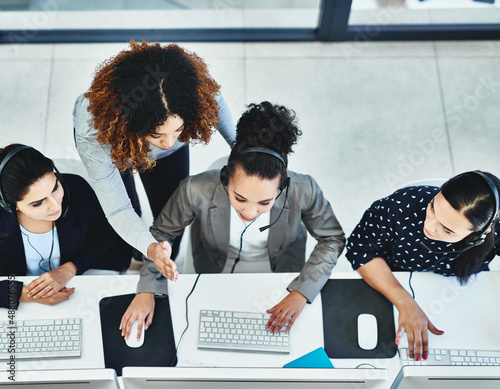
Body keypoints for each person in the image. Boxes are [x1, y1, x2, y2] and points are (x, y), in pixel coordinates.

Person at [120, 101, 346, 341]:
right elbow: (161, 234)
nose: (249, 212)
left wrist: (302, 291)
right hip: (214, 276)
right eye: (240, 198)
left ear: (282, 187)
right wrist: (147, 288)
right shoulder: (195, 189)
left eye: (264, 202)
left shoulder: (305, 189)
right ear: (226, 179)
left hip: (278, 278)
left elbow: (332, 238)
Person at [73, 40, 236, 275]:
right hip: (116, 147)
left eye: (178, 130)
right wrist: (150, 248)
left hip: (151, 146)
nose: (169, 143)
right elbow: (119, 210)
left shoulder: (194, 86)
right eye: (157, 134)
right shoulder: (93, 131)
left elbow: (216, 105)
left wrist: (243, 149)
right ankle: (133, 254)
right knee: (130, 210)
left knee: (171, 212)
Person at [346, 171, 500, 362]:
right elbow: (359, 251)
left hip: (464, 293)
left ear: (480, 235)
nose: (430, 225)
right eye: (433, 207)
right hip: (395, 278)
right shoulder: (398, 206)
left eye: (447, 229)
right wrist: (406, 303)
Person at [0, 144, 131, 309]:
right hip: (21, 294)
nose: (55, 206)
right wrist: (24, 294)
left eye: (55, 188)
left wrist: (71, 268)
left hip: (78, 281)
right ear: (10, 205)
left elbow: (105, 235)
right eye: (38, 203)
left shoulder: (77, 189)